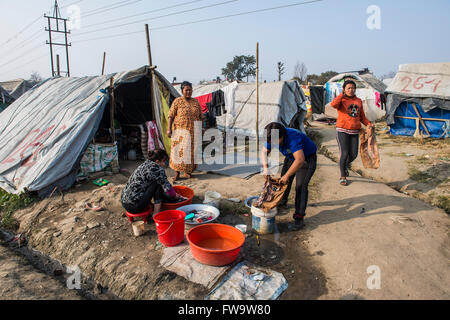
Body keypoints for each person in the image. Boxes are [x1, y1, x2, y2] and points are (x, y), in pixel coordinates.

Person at [261, 122, 317, 228]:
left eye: (275, 142)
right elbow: (264, 152)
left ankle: (299, 218)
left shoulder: (293, 137)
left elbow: (300, 160)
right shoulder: (272, 136)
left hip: (306, 159)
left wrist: (287, 175)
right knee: (283, 182)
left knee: (300, 187)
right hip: (291, 157)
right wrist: (265, 169)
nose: (273, 144)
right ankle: (282, 203)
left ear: (282, 136)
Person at [330, 80, 373, 186]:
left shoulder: (358, 101)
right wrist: (341, 95)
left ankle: (344, 165)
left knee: (353, 154)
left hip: (354, 131)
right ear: (344, 89)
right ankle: (343, 176)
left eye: (353, 88)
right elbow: (333, 104)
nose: (351, 90)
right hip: (342, 130)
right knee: (344, 153)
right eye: (348, 88)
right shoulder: (341, 100)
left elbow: (361, 116)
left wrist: (368, 124)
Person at [121, 149, 180, 218]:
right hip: (135, 207)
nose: (166, 163)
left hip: (125, 203)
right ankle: (156, 213)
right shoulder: (158, 170)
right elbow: (168, 189)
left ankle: (151, 206)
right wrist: (176, 196)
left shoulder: (144, 164)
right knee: (157, 184)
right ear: (157, 161)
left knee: (152, 183)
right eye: (164, 161)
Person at [167, 81, 203, 183]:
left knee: (190, 153)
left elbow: (201, 117)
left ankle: (188, 171)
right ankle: (177, 173)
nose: (188, 92)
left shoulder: (195, 102)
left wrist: (202, 129)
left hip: (192, 133)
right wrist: (169, 129)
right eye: (186, 90)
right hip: (179, 132)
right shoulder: (177, 101)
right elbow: (170, 116)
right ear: (182, 90)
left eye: (190, 90)